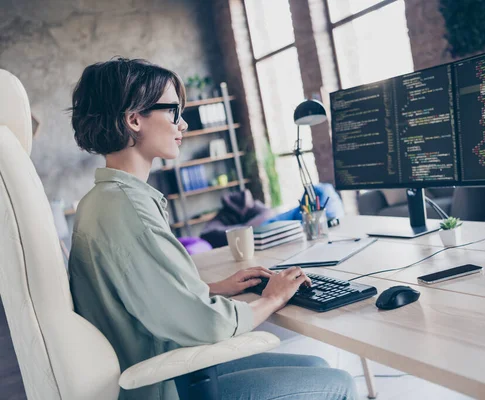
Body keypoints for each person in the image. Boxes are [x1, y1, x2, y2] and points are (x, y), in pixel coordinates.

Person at [68, 58, 357, 400]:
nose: (183, 124)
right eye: (173, 111)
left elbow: (143, 294)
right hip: (164, 385)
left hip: (163, 364)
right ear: (134, 119)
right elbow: (207, 325)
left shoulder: (103, 200)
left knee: (316, 367)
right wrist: (272, 298)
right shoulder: (128, 208)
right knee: (340, 385)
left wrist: (212, 288)